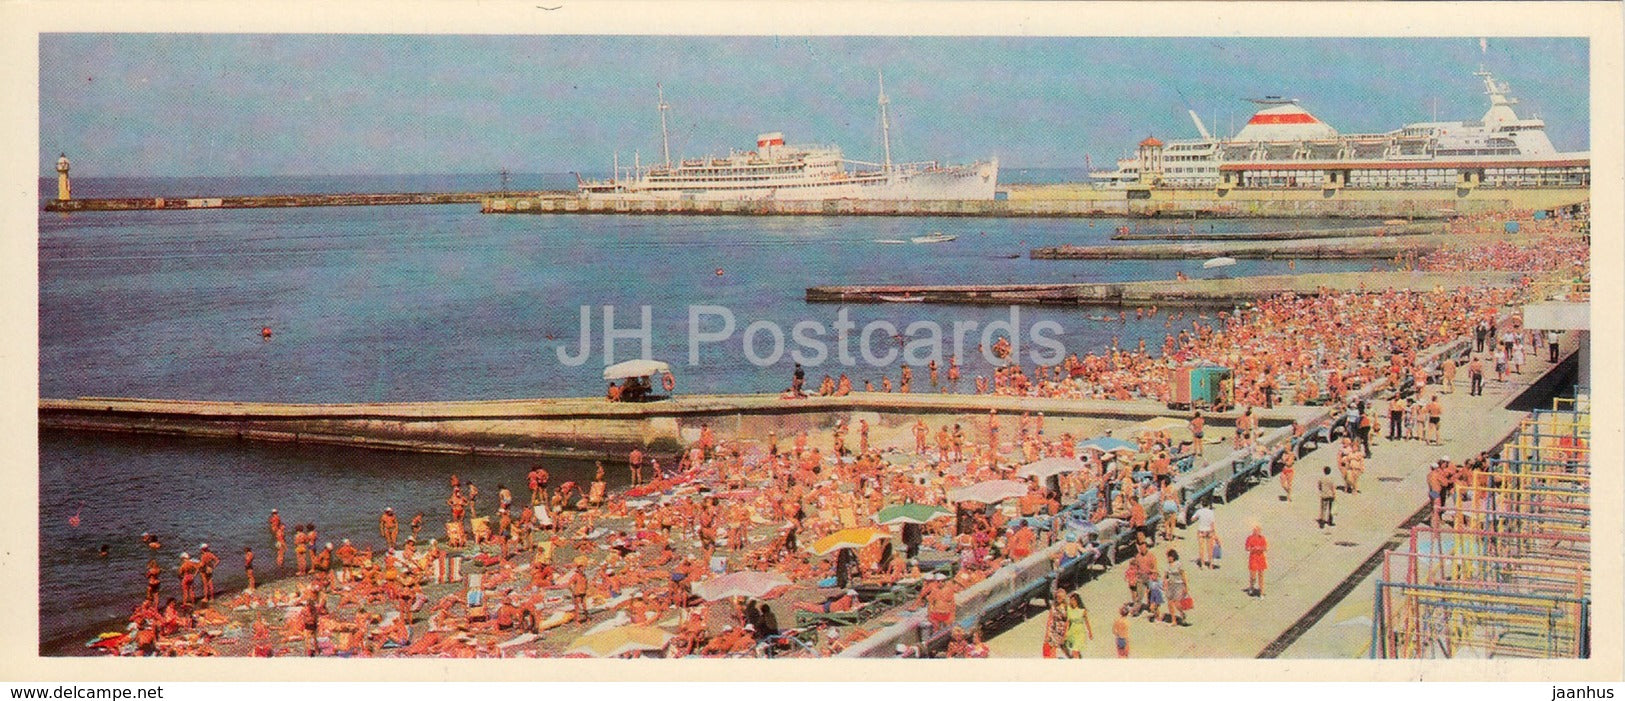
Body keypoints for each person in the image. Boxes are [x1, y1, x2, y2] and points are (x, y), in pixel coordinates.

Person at [1164, 549, 1191, 626]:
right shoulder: (1167, 565)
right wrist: (1164, 583)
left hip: (1179, 585)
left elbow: (1183, 575)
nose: (1169, 558)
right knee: (1169, 602)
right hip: (1170, 585)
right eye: (1168, 557)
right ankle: (1173, 620)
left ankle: (1182, 613)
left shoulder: (1178, 564)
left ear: (1173, 557)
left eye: (1170, 556)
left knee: (1177, 603)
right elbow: (1165, 575)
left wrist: (1186, 586)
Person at [1064, 591, 1094, 657]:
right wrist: (1065, 633)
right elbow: (1067, 622)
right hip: (1072, 632)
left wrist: (1090, 633)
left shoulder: (1082, 610)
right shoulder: (1069, 609)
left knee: (1075, 651)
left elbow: (1087, 622)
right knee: (1074, 651)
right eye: (1071, 600)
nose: (1072, 602)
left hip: (1080, 633)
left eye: (1073, 600)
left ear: (1077, 600)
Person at [1191, 499, 1216, 569]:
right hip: (1209, 530)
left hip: (1201, 530)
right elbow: (1212, 523)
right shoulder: (1211, 512)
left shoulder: (1199, 511)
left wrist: (1198, 518)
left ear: (1201, 504)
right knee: (1210, 548)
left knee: (1201, 548)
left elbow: (1192, 519)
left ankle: (1202, 564)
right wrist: (1214, 532)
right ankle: (1210, 564)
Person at [1244, 525, 1268, 597]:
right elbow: (1247, 548)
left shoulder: (1262, 538)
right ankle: (1251, 587)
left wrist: (1260, 548)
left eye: (1258, 531)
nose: (1257, 532)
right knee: (1253, 575)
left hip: (1261, 558)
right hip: (1253, 558)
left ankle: (1261, 591)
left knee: (1261, 575)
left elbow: (1265, 548)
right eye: (1255, 530)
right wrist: (1253, 549)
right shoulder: (1250, 538)